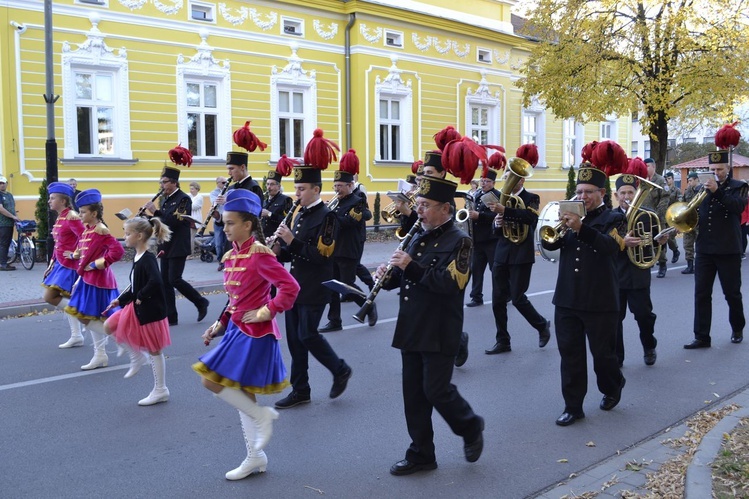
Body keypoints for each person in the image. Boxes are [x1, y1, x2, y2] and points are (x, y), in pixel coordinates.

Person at [375, 175, 484, 476]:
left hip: (439, 328)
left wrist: (410, 266)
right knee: (413, 395)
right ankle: (422, 454)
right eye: (418, 204)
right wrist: (387, 276)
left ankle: (470, 425)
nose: (419, 210)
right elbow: (401, 279)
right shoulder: (415, 235)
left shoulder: (460, 241)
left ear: (446, 209)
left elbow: (451, 283)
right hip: (411, 325)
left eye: (425, 205)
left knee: (436, 391)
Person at [194, 189, 300, 480]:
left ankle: (261, 419)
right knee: (243, 392)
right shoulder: (231, 255)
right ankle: (255, 456)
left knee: (210, 380)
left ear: (248, 224)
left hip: (255, 332)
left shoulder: (260, 256)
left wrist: (267, 311)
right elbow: (234, 299)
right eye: (224, 223)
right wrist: (220, 324)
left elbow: (290, 288)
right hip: (237, 330)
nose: (224, 228)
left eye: (230, 223)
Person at [541, 165, 626, 426]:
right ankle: (573, 406)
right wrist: (552, 233)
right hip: (567, 299)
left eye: (588, 192)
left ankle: (613, 386)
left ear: (602, 192)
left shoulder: (615, 218)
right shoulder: (568, 216)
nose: (582, 196)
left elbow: (611, 246)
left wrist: (581, 228)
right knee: (570, 355)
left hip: (600, 300)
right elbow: (550, 243)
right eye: (579, 191)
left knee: (603, 356)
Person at [272, 160, 353, 409]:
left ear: (316, 190)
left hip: (315, 286)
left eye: (301, 189)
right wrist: (277, 250)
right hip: (294, 286)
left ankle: (340, 369)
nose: (296, 194)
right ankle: (301, 389)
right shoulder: (300, 213)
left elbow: (322, 256)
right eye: (296, 189)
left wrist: (291, 241)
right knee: (295, 340)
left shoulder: (328, 217)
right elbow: (293, 253)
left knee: (307, 334)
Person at [104, 217, 173, 405]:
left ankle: (160, 389)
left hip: (150, 310)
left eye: (127, 233)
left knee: (155, 350)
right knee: (109, 325)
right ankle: (136, 356)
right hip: (138, 306)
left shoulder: (148, 258)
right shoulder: (138, 257)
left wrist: (141, 296)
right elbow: (135, 285)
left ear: (139, 235)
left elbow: (155, 282)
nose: (124, 237)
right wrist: (120, 300)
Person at [684, 150, 747, 348]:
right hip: (704, 248)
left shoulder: (740, 187)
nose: (716, 172)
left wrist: (717, 191)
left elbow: (737, 208)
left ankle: (737, 328)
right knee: (701, 293)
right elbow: (693, 213)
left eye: (719, 169)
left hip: (728, 248)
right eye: (712, 169)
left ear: (728, 169)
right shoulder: (701, 189)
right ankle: (702, 336)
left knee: (732, 293)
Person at [485, 174, 551, 354]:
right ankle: (503, 340)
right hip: (502, 253)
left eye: (512, 178)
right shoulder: (501, 199)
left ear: (521, 180)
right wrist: (497, 223)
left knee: (518, 297)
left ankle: (542, 325)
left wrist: (505, 211)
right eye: (506, 178)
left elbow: (531, 218)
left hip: (521, 254)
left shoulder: (532, 198)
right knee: (497, 300)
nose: (508, 182)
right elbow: (496, 231)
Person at [64, 189, 125, 370]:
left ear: (94, 213)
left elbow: (117, 251)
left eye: (83, 212)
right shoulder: (88, 229)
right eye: (80, 211)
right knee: (90, 317)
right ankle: (101, 354)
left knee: (89, 317)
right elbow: (84, 250)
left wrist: (98, 264)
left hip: (98, 281)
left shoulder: (101, 229)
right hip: (87, 279)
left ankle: (120, 344)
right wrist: (75, 256)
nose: (80, 215)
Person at [144, 165, 210, 326]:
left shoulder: (183, 199)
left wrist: (155, 212)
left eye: (164, 182)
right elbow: (162, 222)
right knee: (165, 282)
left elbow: (174, 221)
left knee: (174, 279)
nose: (162, 186)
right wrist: (147, 218)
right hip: (166, 245)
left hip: (178, 245)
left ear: (174, 182)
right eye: (161, 182)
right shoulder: (167, 200)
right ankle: (171, 316)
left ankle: (200, 301)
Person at [612, 175, 667, 367]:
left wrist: (658, 240)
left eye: (630, 192)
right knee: (615, 318)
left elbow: (651, 240)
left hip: (638, 274)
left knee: (644, 315)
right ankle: (618, 356)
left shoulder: (646, 214)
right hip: (616, 275)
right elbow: (604, 245)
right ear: (616, 195)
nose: (627, 196)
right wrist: (621, 242)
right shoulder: (610, 217)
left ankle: (649, 346)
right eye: (623, 193)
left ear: (636, 194)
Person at [319, 152, 376, 332]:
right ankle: (335, 320)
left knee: (347, 285)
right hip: (335, 247)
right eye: (335, 185)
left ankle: (368, 305)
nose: (337, 189)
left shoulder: (358, 201)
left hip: (349, 248)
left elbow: (349, 222)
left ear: (350, 185)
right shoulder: (336, 202)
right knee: (332, 286)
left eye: (340, 186)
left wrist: (331, 215)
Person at [41, 182, 86, 348]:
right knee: (65, 297)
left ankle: (83, 315)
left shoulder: (72, 216)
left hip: (70, 265)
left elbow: (85, 237)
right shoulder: (61, 216)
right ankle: (76, 335)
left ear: (63, 201)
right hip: (60, 263)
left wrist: (75, 254)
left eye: (52, 198)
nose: (49, 201)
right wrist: (51, 263)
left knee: (50, 296)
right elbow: (58, 243)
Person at [466, 169, 500, 307]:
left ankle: (503, 293)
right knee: (476, 269)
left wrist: (479, 216)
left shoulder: (497, 195)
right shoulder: (477, 194)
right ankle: (476, 297)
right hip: (477, 239)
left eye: (487, 181)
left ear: (493, 183)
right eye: (482, 180)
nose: (483, 183)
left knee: (496, 270)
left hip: (491, 239)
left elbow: (496, 216)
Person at [642, 158, 670, 278]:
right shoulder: (642, 180)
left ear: (653, 167)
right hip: (643, 217)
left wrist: (657, 214)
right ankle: (648, 262)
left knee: (659, 241)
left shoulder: (660, 180)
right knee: (645, 240)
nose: (645, 168)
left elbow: (665, 198)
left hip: (657, 217)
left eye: (647, 166)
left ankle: (662, 264)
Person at [260, 170, 293, 241]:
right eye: (267, 184)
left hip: (279, 240)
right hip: (265, 239)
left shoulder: (286, 200)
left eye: (272, 184)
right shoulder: (264, 202)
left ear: (279, 186)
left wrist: (269, 214)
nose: (269, 187)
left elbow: (287, 220)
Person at [680, 172, 702, 274]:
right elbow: (683, 203)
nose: (689, 183)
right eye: (688, 181)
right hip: (689, 222)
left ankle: (701, 265)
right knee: (687, 244)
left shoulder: (702, 190)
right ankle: (690, 266)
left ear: (697, 179)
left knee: (700, 244)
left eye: (691, 180)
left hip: (700, 222)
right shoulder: (687, 191)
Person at [0, 175, 20, 271]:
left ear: (7, 183)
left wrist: (15, 217)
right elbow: (1, 209)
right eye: (0, 183)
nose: (1, 185)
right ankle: (3, 264)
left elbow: (12, 208)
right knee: (4, 243)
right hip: (2, 223)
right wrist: (12, 216)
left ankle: (4, 262)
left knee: (7, 243)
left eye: (3, 183)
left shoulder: (9, 195)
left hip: (9, 223)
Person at [209, 176, 228, 271]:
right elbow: (216, 202)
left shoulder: (229, 192)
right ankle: (220, 260)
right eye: (223, 183)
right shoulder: (213, 193)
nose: (225, 184)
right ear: (218, 184)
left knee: (227, 242)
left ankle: (226, 262)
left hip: (228, 220)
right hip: (218, 220)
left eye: (226, 182)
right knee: (218, 243)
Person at [663, 172, 681, 264]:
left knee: (670, 237)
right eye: (666, 178)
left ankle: (675, 251)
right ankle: (663, 257)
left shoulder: (676, 190)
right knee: (662, 236)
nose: (667, 180)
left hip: (672, 217)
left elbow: (679, 204)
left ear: (673, 179)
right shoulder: (663, 189)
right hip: (663, 216)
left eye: (669, 178)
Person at [189, 181, 203, 254]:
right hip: (189, 218)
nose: (191, 190)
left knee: (191, 237)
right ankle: (203, 246)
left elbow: (194, 207)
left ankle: (190, 254)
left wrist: (186, 205)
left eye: (192, 189)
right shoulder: (190, 196)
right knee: (191, 237)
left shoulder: (199, 197)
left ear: (197, 189)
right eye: (190, 189)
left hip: (195, 219)